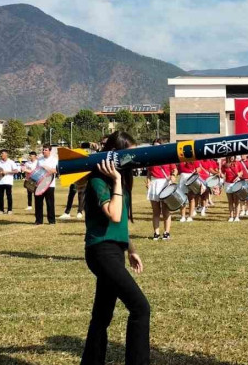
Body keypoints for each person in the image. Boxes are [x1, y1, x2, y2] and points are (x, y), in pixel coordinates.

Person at [80, 131, 149, 365]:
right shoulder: (98, 180)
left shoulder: (122, 183)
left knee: (101, 316)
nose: (134, 158)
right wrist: (117, 180)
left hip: (114, 252)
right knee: (140, 308)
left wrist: (131, 249)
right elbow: (114, 213)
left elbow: (122, 223)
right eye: (129, 153)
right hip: (101, 252)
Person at [35, 145, 58, 225]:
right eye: (43, 150)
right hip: (40, 184)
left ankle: (51, 220)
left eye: (45, 150)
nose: (43, 151)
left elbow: (56, 171)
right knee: (38, 203)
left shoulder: (54, 160)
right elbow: (37, 170)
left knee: (50, 203)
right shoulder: (39, 160)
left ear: (49, 151)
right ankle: (38, 220)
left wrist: (46, 168)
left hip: (49, 184)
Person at [222, 156, 246, 222]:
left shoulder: (238, 163)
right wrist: (221, 175)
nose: (232, 157)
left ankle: (237, 217)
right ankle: (231, 216)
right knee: (230, 201)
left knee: (236, 201)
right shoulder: (224, 164)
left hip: (236, 183)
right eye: (231, 156)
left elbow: (241, 172)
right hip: (228, 184)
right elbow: (223, 173)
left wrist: (239, 175)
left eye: (233, 156)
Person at [0, 149, 19, 215]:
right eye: (1, 153)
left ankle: (9, 210)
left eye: (2, 153)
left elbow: (16, 171)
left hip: (8, 181)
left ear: (6, 154)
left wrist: (7, 172)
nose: (1, 155)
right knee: (0, 197)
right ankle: (1, 210)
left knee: (9, 196)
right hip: (0, 182)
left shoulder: (11, 162)